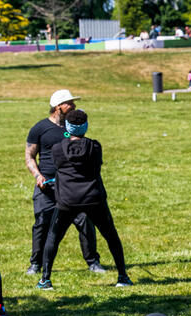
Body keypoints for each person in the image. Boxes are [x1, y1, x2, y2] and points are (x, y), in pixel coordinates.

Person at [38, 110, 132, 290]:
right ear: (85, 127)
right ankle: (123, 276)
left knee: (54, 237)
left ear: (67, 127)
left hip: (67, 200)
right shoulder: (95, 147)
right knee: (110, 235)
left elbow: (59, 166)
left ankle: (45, 280)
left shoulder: (57, 148)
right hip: (93, 199)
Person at [25, 89, 101, 275]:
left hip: (71, 186)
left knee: (84, 220)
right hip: (47, 186)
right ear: (58, 107)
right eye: (69, 103)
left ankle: (93, 262)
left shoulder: (74, 127)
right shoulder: (40, 129)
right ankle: (36, 264)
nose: (73, 106)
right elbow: (29, 156)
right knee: (42, 223)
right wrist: (38, 176)